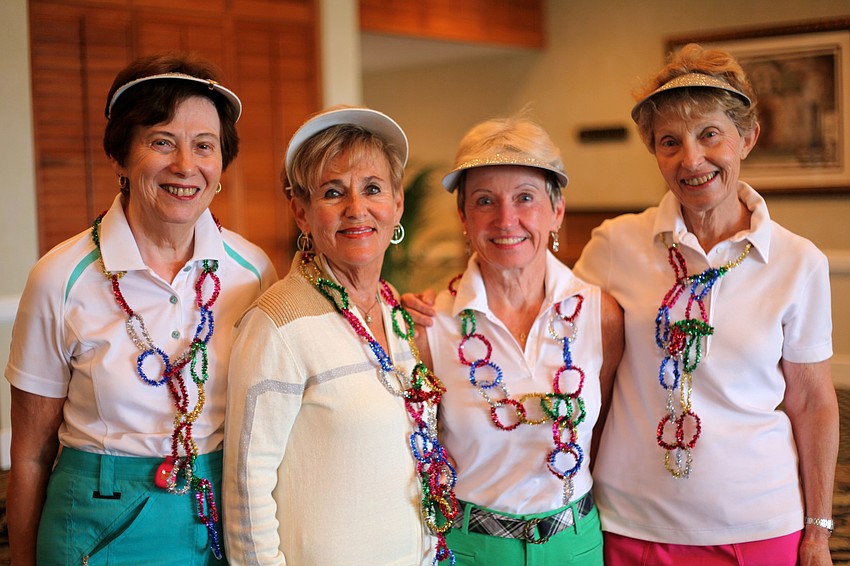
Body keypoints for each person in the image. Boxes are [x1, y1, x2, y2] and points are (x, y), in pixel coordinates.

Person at [4, 52, 277, 565]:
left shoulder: (253, 272)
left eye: (204, 145)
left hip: (222, 518)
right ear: (120, 156)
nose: (185, 166)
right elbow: (31, 456)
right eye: (161, 142)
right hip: (96, 526)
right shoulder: (59, 278)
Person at [572, 43, 838, 565]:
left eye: (709, 134)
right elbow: (543, 322)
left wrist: (819, 532)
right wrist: (447, 300)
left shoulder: (798, 261)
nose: (691, 160)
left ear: (748, 138)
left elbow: (813, 403)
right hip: (632, 523)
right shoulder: (614, 245)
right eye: (670, 142)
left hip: (760, 524)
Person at [222, 106, 457, 565]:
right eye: (333, 192)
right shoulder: (277, 322)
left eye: (373, 188)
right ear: (302, 213)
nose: (356, 208)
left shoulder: (395, 310)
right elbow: (246, 489)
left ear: (397, 204)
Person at [403, 113, 624, 565]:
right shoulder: (429, 325)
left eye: (525, 198)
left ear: (557, 211)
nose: (506, 220)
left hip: (576, 546)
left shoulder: (601, 315)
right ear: (464, 217)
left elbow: (603, 432)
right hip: (471, 549)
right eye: (485, 201)